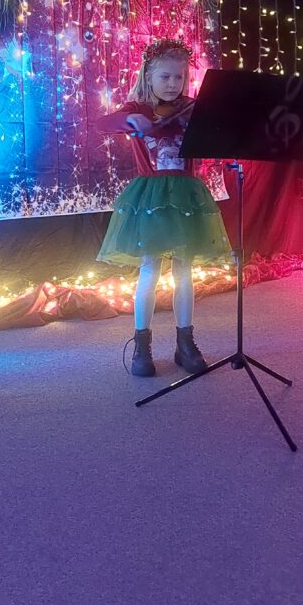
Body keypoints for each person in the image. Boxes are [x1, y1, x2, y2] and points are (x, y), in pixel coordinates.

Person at [96, 39, 231, 377]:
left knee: (184, 271)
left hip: (186, 195)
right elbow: (104, 123)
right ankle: (142, 346)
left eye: (179, 77)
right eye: (165, 77)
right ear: (149, 76)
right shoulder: (138, 108)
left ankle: (185, 344)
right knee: (150, 269)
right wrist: (132, 120)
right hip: (152, 198)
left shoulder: (192, 109)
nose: (173, 84)